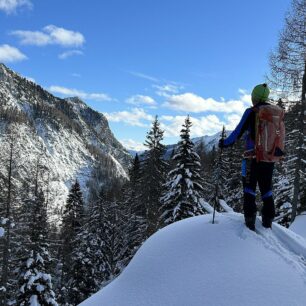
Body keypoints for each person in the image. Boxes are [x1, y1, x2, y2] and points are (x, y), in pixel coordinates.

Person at [219, 83, 276, 231]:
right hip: (269, 159)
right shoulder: (275, 113)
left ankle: (250, 223)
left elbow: (238, 132)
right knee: (267, 190)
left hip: (252, 158)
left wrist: (224, 143)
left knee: (249, 189)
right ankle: (268, 222)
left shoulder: (251, 112)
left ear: (254, 97)